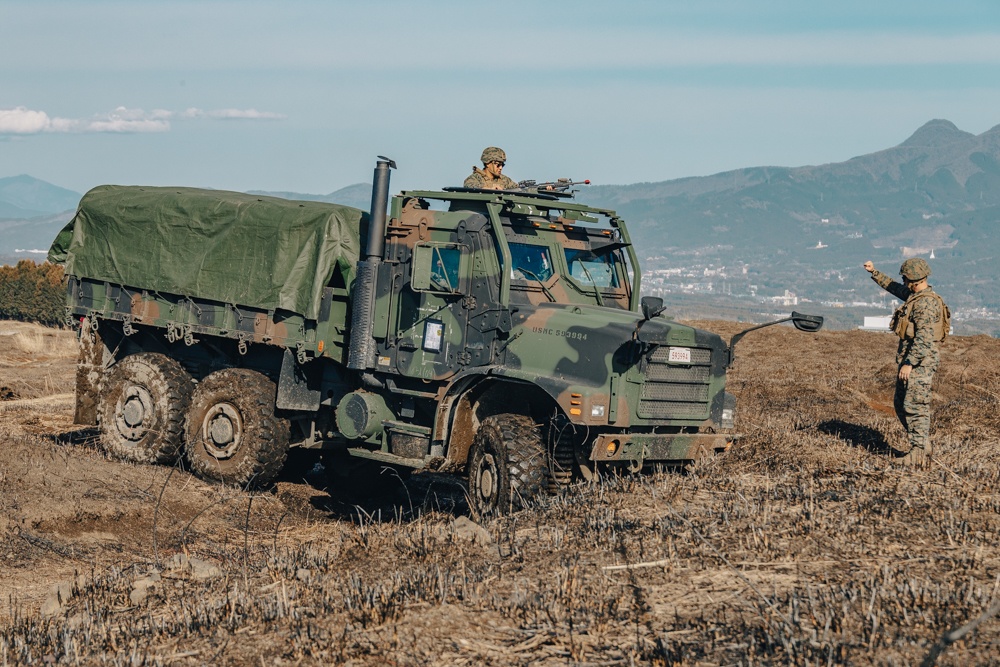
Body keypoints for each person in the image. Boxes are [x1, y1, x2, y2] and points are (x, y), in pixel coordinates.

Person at [864, 257, 949, 466]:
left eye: (905, 278)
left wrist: (910, 363)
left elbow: (924, 338)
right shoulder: (915, 296)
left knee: (915, 406)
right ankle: (921, 445)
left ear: (914, 279)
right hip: (911, 361)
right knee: (900, 404)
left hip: (920, 362)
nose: (902, 282)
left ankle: (918, 452)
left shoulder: (926, 304)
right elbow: (893, 287)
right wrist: (874, 272)